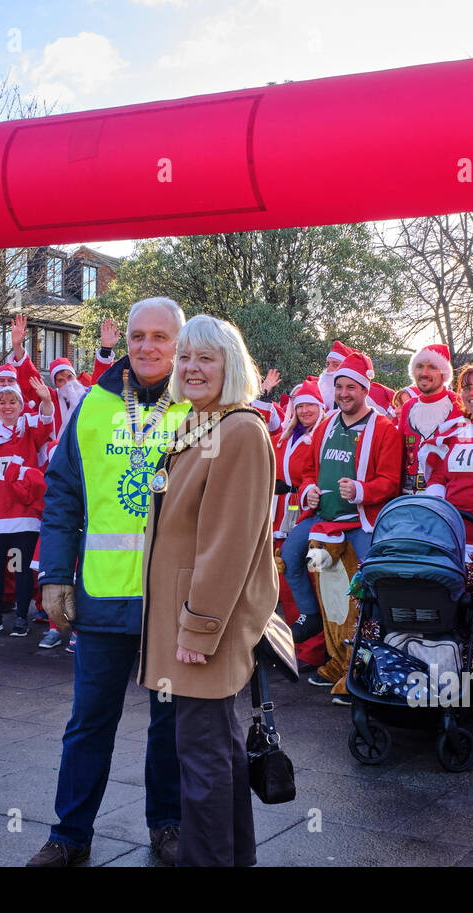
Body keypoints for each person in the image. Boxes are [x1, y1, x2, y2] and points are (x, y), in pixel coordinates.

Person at [29, 296, 191, 867]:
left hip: (174, 603)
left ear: (179, 342)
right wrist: (54, 577)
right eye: (138, 336)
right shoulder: (94, 405)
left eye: (160, 338)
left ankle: (168, 827)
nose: (148, 347)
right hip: (101, 598)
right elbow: (64, 495)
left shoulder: (201, 405)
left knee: (170, 724)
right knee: (90, 723)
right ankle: (69, 836)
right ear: (126, 340)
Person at [140, 313, 276, 867]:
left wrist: (199, 625)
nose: (193, 368)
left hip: (198, 626)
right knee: (218, 754)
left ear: (231, 366)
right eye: (188, 357)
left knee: (203, 761)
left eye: (207, 358)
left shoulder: (238, 430)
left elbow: (227, 544)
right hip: (185, 621)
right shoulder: (200, 423)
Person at [283, 351, 403, 648]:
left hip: (360, 525)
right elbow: (309, 470)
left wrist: (362, 490)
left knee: (370, 579)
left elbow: (390, 481)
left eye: (351, 387)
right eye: (339, 387)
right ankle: (311, 617)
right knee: (289, 558)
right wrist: (308, 489)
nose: (343, 394)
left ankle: (371, 643)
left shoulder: (385, 429)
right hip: (323, 522)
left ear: (365, 390)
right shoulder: (326, 424)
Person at [0, 376, 53, 636]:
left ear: (20, 405)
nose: (6, 406)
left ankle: (21, 617)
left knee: (21, 567)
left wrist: (46, 399)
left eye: (12, 401)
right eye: (2, 402)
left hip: (23, 513)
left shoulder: (29, 428)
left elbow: (47, 422)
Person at [423, 363, 473, 563]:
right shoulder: (455, 433)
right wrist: (437, 505)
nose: (472, 392)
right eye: (466, 387)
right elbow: (438, 476)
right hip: (451, 535)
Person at [398, 343, 457, 493]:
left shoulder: (459, 404)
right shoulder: (408, 407)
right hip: (410, 494)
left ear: (444, 373)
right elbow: (399, 454)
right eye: (419, 366)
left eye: (432, 367)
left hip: (446, 495)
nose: (424, 372)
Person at [273, 378, 324, 540]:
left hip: (305, 509)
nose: (304, 410)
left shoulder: (323, 438)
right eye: (300, 406)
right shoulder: (282, 439)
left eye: (310, 405)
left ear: (320, 408)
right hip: (278, 509)